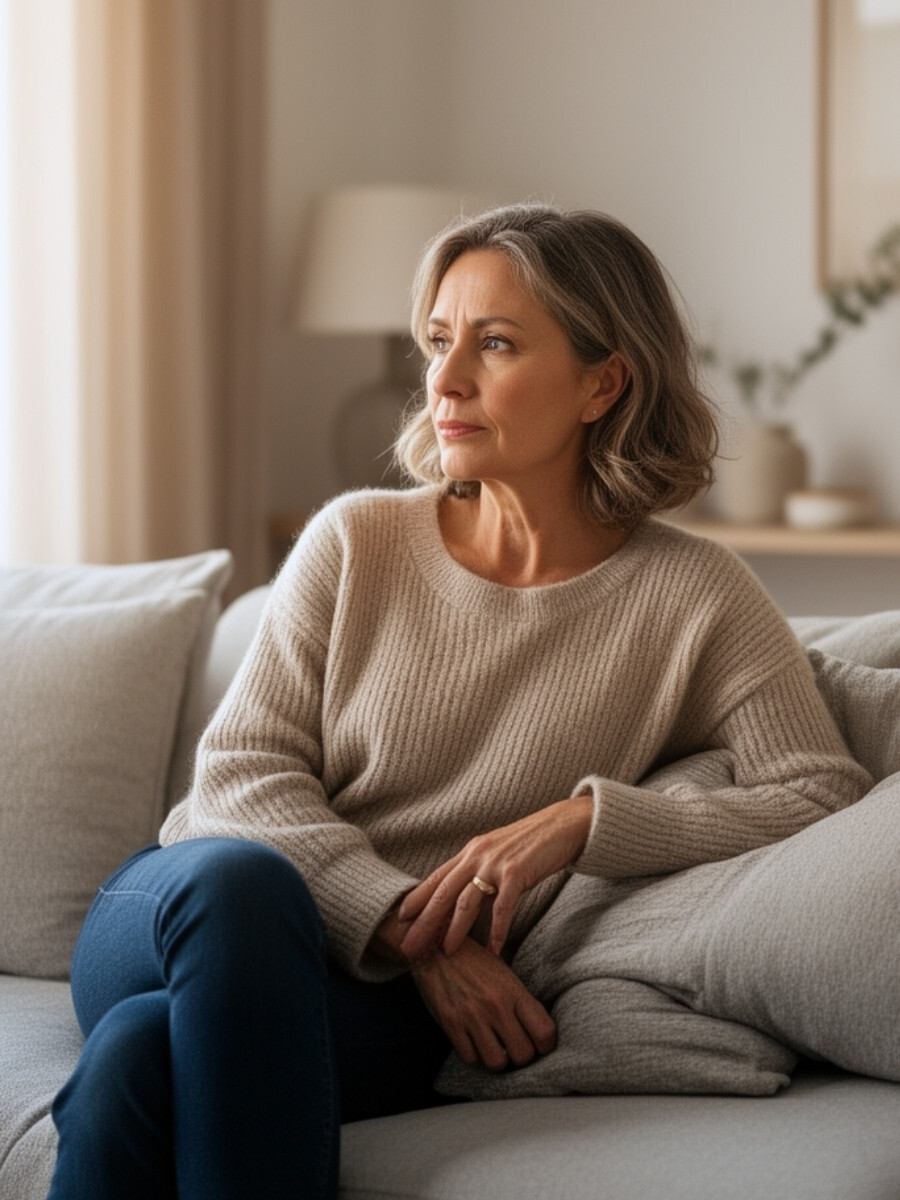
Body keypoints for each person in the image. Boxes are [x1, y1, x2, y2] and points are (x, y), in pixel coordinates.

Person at [48, 203, 870, 1199]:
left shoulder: (695, 596)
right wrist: (406, 926)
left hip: (380, 1014)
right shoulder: (357, 541)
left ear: (602, 383)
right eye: (439, 341)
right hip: (188, 913)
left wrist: (584, 823)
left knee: (139, 1063)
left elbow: (817, 789)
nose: (445, 379)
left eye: (495, 344)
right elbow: (238, 780)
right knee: (238, 886)